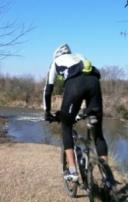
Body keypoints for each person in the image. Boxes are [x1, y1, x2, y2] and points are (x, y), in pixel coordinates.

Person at [43, 43, 109, 182]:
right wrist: (83, 112)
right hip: (94, 83)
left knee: (66, 127)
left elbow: (48, 91)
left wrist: (47, 112)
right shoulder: (80, 56)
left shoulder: (55, 62)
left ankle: (73, 171)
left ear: (56, 55)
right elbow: (86, 79)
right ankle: (107, 176)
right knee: (98, 134)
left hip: (75, 85)